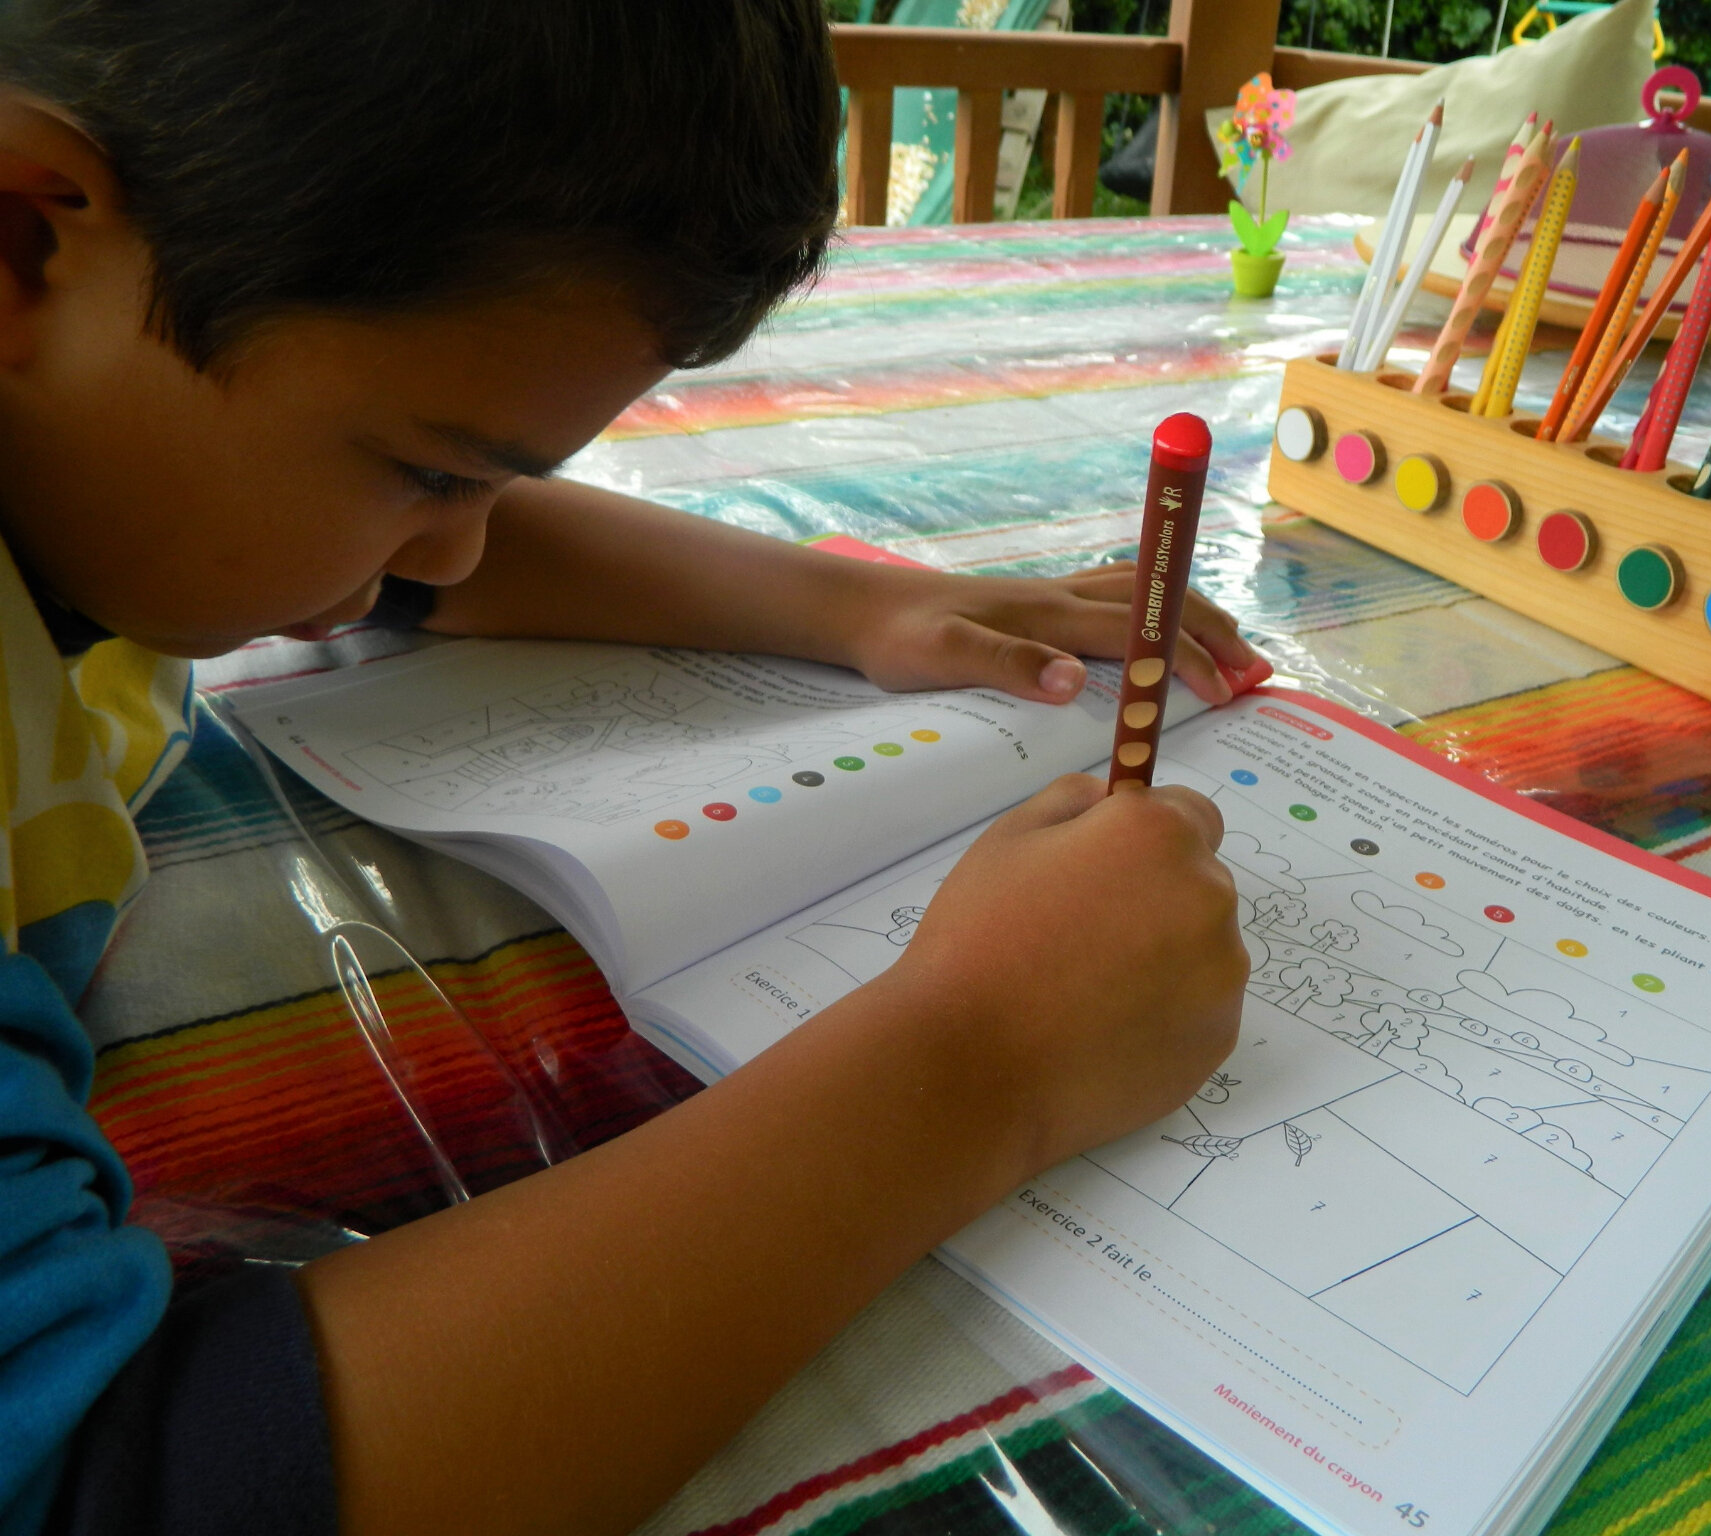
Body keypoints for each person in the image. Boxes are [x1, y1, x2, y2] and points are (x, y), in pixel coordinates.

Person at [0, 2, 1261, 1533]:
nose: (455, 546)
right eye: (425, 471)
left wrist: (856, 602)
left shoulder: (103, 423)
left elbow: (418, 550)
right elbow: (109, 1484)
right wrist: (978, 1061)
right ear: (21, 238)